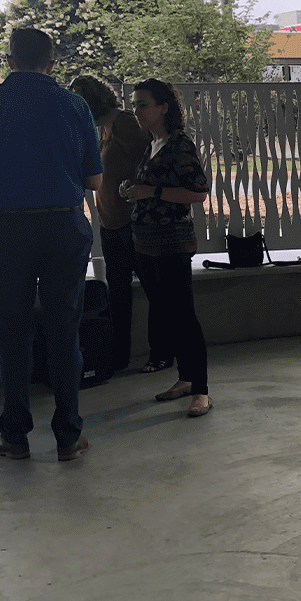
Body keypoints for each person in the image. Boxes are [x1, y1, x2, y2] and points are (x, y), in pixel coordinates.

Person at [0, 27, 102, 461]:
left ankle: (15, 436)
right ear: (51, 63)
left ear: (9, 60)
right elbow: (94, 180)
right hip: (64, 228)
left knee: (13, 334)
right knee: (64, 331)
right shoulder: (75, 104)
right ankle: (68, 437)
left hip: (8, 229)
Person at [120, 79, 213, 417]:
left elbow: (198, 192)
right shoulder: (153, 144)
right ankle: (185, 378)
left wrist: (151, 193)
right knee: (167, 314)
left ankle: (201, 390)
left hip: (172, 242)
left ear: (163, 108)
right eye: (134, 103)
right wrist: (134, 190)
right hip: (145, 243)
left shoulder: (179, 145)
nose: (136, 110)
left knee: (183, 316)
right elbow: (151, 186)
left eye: (142, 104)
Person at [70, 75, 153, 373]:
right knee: (117, 293)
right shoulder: (105, 130)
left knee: (152, 289)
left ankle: (162, 353)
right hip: (111, 223)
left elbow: (148, 161)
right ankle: (119, 356)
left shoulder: (125, 123)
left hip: (132, 222)